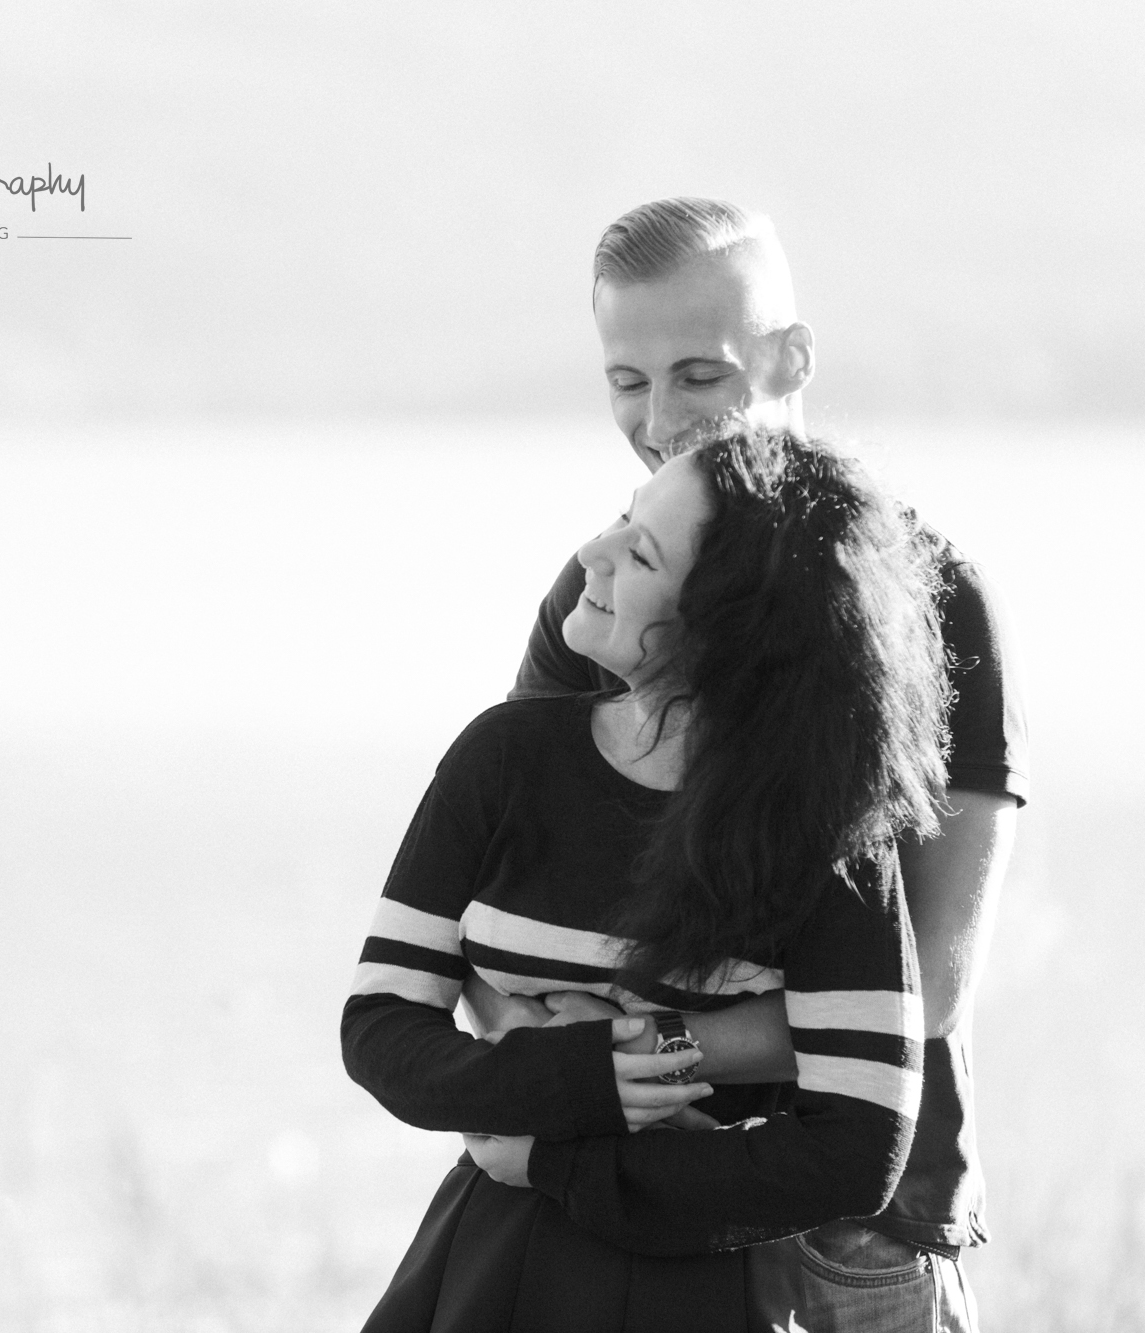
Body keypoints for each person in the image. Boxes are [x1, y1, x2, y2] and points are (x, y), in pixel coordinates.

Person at [470, 198, 1028, 1328]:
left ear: (791, 357)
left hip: (859, 1228)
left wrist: (646, 1055)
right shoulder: (596, 600)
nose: (660, 419)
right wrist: (552, 1062)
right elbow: (494, 921)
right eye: (627, 381)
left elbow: (928, 989)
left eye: (698, 375)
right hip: (626, 1203)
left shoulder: (932, 598)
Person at [343, 426, 951, 1332]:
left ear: (728, 625)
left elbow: (860, 1150)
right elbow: (379, 1027)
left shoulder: (829, 833)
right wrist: (570, 1076)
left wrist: (560, 1159)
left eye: (641, 553)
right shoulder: (503, 759)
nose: (594, 552)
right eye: (621, 520)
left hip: (696, 1292)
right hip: (478, 1264)